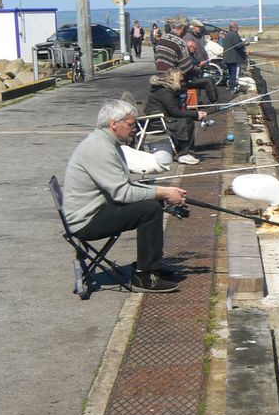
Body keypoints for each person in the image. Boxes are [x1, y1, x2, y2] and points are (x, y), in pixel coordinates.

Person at [63, 99, 188, 293]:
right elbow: (122, 193)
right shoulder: (100, 148)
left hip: (96, 209)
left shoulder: (108, 142)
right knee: (150, 209)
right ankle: (145, 275)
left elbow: (126, 184)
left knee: (151, 202)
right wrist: (163, 193)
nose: (135, 129)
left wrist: (161, 191)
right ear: (114, 124)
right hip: (86, 221)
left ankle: (152, 264)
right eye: (131, 124)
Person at [144, 67, 208, 165]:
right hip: (157, 121)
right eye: (181, 81)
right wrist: (195, 114)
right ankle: (184, 153)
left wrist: (194, 114)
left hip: (161, 118)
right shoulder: (166, 92)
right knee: (187, 122)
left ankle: (184, 152)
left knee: (186, 120)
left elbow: (175, 111)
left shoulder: (166, 89)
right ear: (175, 79)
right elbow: (175, 112)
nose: (183, 83)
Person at [222, 21, 247, 95]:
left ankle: (232, 86)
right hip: (233, 59)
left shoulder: (228, 34)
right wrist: (245, 43)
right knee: (235, 73)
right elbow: (238, 45)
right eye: (238, 27)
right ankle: (234, 87)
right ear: (235, 28)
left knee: (231, 73)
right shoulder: (234, 35)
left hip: (227, 58)